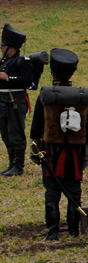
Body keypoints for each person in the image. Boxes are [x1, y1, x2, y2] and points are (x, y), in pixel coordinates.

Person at [29, 49, 85, 241]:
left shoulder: (46, 96)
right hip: (76, 155)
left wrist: (35, 152)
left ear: (52, 73)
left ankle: (52, 232)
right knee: (73, 193)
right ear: (72, 74)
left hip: (50, 154)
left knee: (52, 193)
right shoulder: (82, 97)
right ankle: (73, 231)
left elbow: (36, 129)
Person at [0, 24, 35, 176]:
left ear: (12, 48)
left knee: (16, 134)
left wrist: (9, 78)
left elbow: (28, 81)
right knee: (6, 134)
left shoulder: (23, 61)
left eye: (3, 46)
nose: (1, 48)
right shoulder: (2, 61)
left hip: (16, 103)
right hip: (2, 102)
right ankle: (11, 164)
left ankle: (19, 166)